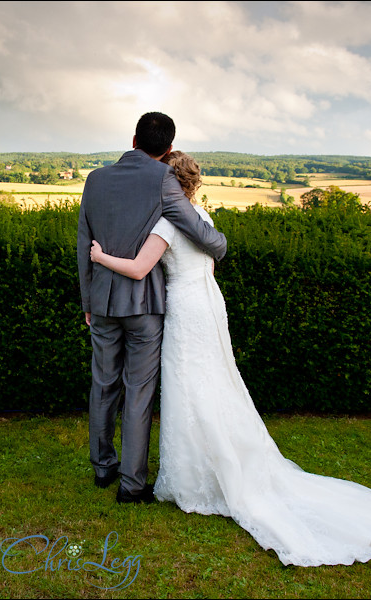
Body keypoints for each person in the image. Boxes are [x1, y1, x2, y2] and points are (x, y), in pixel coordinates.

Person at [89, 151, 371, 566]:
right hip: (207, 303)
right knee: (215, 380)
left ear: (166, 184)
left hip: (183, 307)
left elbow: (142, 270)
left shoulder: (164, 223)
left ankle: (193, 477)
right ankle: (220, 459)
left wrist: (101, 257)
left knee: (187, 387)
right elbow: (209, 267)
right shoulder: (202, 218)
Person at [76, 113, 228, 504]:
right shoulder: (163, 179)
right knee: (138, 390)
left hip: (103, 300)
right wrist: (219, 244)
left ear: (133, 139)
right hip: (144, 304)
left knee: (102, 383)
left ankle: (102, 467)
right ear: (169, 149)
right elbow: (195, 228)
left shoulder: (94, 178)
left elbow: (83, 242)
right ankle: (132, 484)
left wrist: (88, 300)